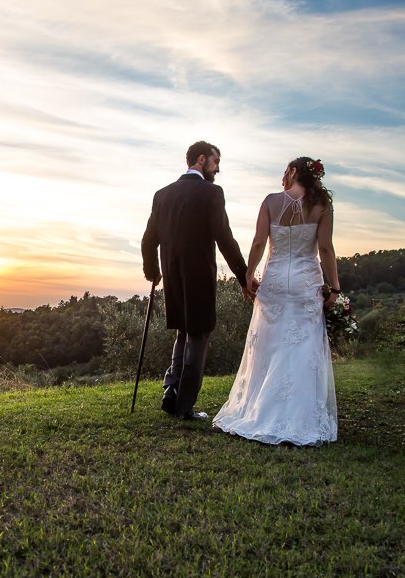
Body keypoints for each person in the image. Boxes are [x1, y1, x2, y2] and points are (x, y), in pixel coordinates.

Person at [212, 156, 340, 445]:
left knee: (269, 345)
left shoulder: (270, 201)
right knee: (303, 345)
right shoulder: (322, 206)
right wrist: (334, 287)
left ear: (293, 172)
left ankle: (259, 410)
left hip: (276, 281)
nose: (282, 177)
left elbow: (258, 242)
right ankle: (299, 417)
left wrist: (248, 275)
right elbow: (326, 249)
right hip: (306, 282)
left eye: (285, 171)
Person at [141, 141, 255, 421]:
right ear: (202, 159)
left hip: (172, 278)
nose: (218, 169)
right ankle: (184, 407)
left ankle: (172, 389)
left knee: (182, 332)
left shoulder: (162, 194)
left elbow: (148, 240)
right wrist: (244, 277)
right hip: (199, 276)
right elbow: (225, 239)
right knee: (199, 336)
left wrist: (153, 271)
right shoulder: (211, 193)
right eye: (216, 162)